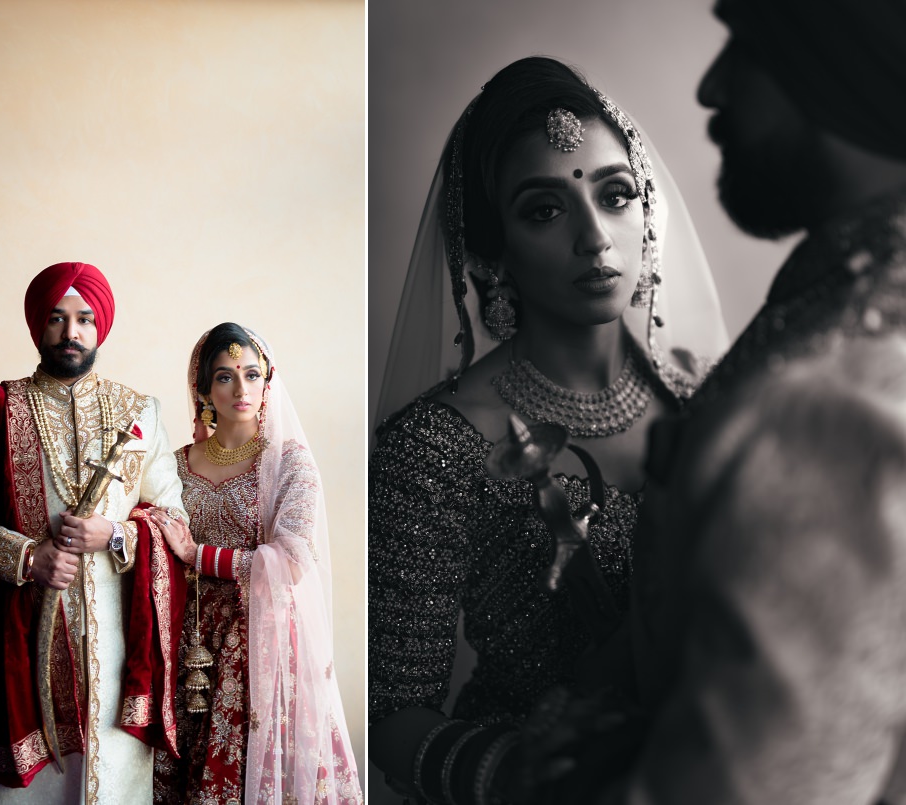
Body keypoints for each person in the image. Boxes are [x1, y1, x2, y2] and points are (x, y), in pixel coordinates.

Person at [530, 2, 906, 802]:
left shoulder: (837, 404)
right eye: (543, 208)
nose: (710, 87)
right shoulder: (825, 304)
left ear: (834, 63)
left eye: (750, 46)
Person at [368, 56, 727, 801]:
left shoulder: (711, 403)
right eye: (544, 210)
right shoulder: (435, 446)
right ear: (490, 252)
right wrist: (530, 775)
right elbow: (388, 714)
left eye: (616, 194)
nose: (596, 239)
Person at [0, 261, 187, 804]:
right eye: (57, 318)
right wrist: (28, 557)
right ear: (37, 327)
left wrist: (115, 535)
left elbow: (173, 521)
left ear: (101, 328)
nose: (71, 332)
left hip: (118, 654)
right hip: (23, 644)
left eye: (84, 319)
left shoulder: (140, 414)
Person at [153, 323, 362, 804]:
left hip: (261, 641)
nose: (241, 388)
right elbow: (149, 536)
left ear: (269, 381)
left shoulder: (290, 463)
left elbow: (290, 561)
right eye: (225, 377)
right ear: (202, 388)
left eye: (252, 373)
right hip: (187, 640)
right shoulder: (174, 465)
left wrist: (196, 555)